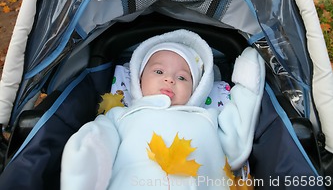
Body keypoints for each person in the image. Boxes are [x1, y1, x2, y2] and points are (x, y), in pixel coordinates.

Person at [60, 29, 265, 189]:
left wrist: (247, 86)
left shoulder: (208, 118)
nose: (169, 79)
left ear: (197, 90)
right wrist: (85, 154)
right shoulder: (121, 115)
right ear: (138, 80)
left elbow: (237, 143)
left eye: (182, 77)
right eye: (158, 71)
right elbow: (100, 139)